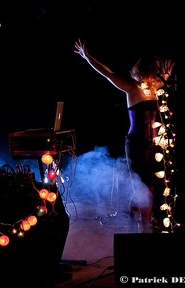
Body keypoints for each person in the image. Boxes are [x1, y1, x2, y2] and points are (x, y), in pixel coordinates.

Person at [74, 38, 175, 233]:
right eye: (154, 68)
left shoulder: (157, 89)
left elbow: (164, 79)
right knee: (142, 187)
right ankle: (140, 228)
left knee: (151, 187)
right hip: (137, 142)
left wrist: (167, 74)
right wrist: (88, 57)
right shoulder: (133, 88)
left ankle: (139, 225)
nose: (157, 71)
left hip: (155, 145)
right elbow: (108, 74)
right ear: (143, 69)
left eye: (159, 67)